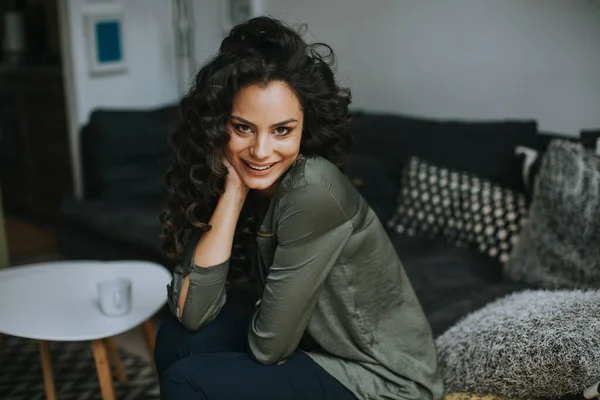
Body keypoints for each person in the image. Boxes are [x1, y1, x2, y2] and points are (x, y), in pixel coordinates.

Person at [155, 16, 443, 400]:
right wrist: (234, 193)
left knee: (187, 379)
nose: (260, 151)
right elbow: (192, 314)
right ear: (218, 124)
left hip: (386, 383)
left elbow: (269, 347)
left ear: (305, 128)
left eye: (281, 130)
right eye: (243, 127)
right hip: (321, 355)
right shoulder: (258, 180)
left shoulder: (312, 189)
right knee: (178, 339)